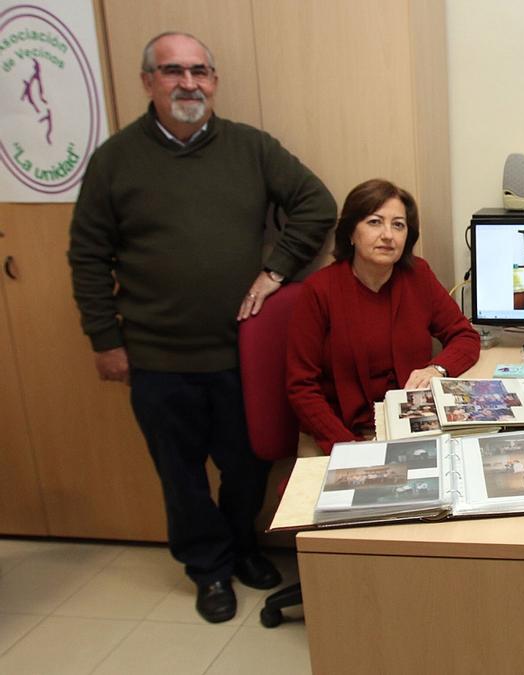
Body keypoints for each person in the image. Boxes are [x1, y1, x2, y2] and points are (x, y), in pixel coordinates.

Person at [67, 32, 336, 623]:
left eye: (200, 71)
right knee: (180, 474)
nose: (188, 83)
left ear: (214, 80)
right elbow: (87, 256)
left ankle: (242, 548)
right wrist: (104, 341)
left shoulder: (250, 148)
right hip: (156, 356)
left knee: (248, 463)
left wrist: (276, 269)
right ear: (148, 82)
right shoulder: (115, 160)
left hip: (238, 353)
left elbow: (317, 204)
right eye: (172, 71)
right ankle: (208, 570)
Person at [287, 179, 481, 453]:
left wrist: (437, 369)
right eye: (375, 222)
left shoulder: (418, 276)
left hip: (413, 428)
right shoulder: (319, 291)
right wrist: (351, 449)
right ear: (351, 233)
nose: (388, 235)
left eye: (398, 225)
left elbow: (464, 336)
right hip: (340, 433)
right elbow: (301, 388)